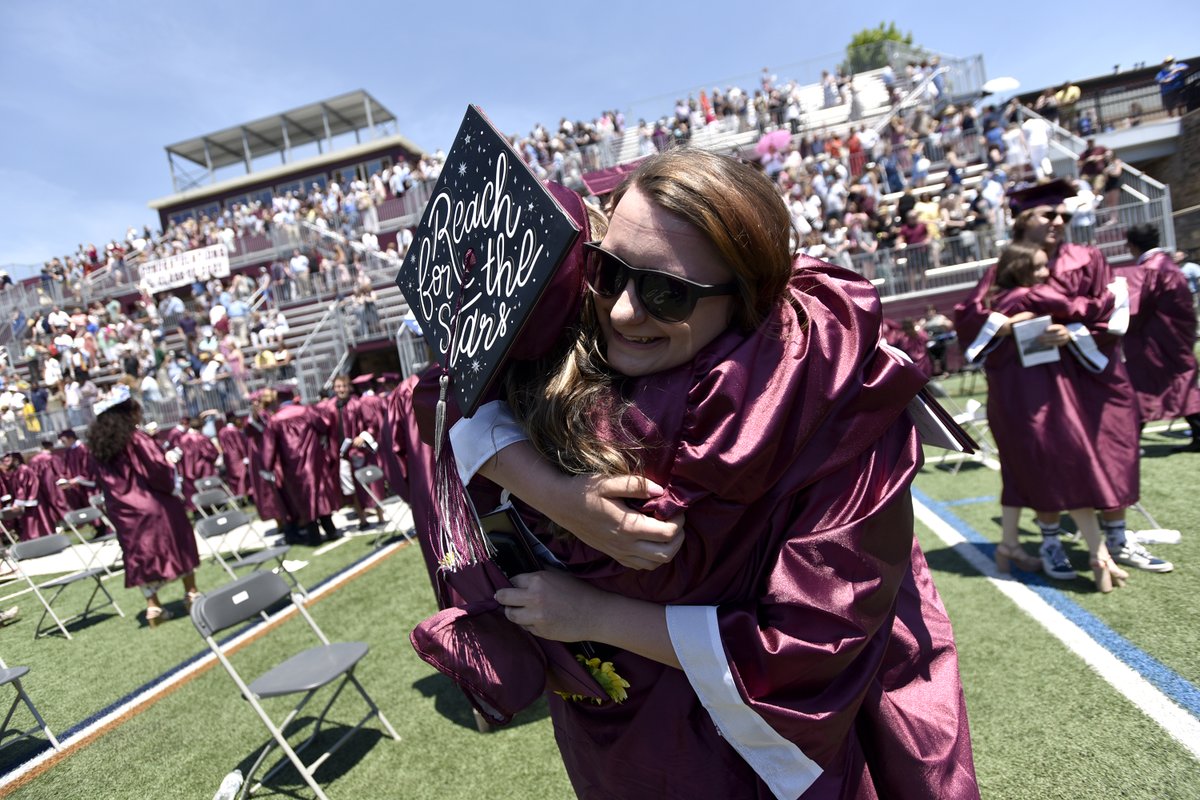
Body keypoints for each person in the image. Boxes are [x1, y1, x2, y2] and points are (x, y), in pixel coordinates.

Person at [415, 151, 978, 798]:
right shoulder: (579, 343)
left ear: (749, 292)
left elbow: (806, 645)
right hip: (612, 739)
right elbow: (446, 389)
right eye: (609, 271)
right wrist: (555, 492)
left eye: (668, 292)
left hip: (747, 758)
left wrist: (594, 614)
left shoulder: (833, 410)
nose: (624, 312)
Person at [954, 179, 1172, 583]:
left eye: (1064, 215)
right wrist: (1006, 326)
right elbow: (971, 316)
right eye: (1048, 214)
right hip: (1039, 381)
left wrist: (1073, 333)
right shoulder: (1007, 265)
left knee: (1113, 444)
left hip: (1091, 370)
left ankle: (1118, 538)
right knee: (1048, 455)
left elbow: (1113, 307)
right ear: (1023, 221)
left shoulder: (1086, 258)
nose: (1058, 221)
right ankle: (1053, 539)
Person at [86, 385, 199, 627]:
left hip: (123, 511)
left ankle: (153, 607)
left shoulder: (97, 448)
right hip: (153, 503)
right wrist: (169, 467)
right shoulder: (136, 439)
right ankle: (191, 594)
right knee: (178, 544)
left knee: (140, 555)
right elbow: (157, 470)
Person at [1117, 225, 1200, 451]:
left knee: (1143, 383)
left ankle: (1129, 440)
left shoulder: (1151, 268)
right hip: (1174, 333)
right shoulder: (1166, 263)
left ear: (1131, 246)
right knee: (1180, 381)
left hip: (1157, 336)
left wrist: (1120, 323)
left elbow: (1139, 305)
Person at [259, 389, 341, 544]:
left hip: (292, 466)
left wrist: (266, 468)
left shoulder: (275, 420)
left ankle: (314, 536)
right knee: (320, 495)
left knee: (304, 499)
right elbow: (324, 426)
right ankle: (331, 530)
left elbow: (269, 448)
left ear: (278, 400)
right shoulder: (307, 411)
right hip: (314, 460)